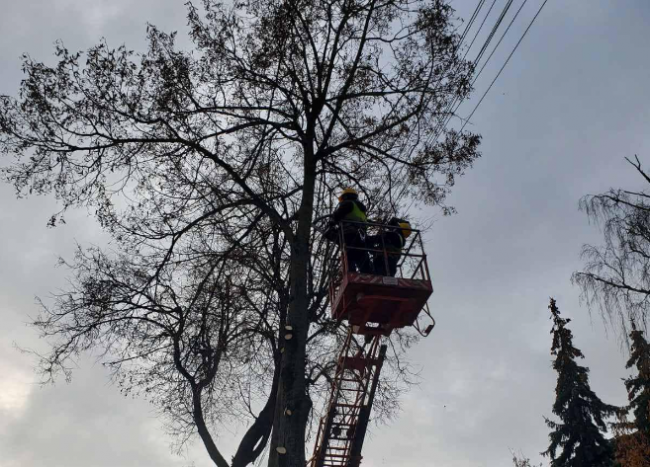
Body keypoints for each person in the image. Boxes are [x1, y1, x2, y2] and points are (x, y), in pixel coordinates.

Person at [331, 187, 371, 273]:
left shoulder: (348, 204)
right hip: (362, 237)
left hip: (349, 234)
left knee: (349, 256)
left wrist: (331, 221)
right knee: (362, 257)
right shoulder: (361, 209)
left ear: (345, 197)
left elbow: (337, 216)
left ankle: (350, 273)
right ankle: (368, 273)